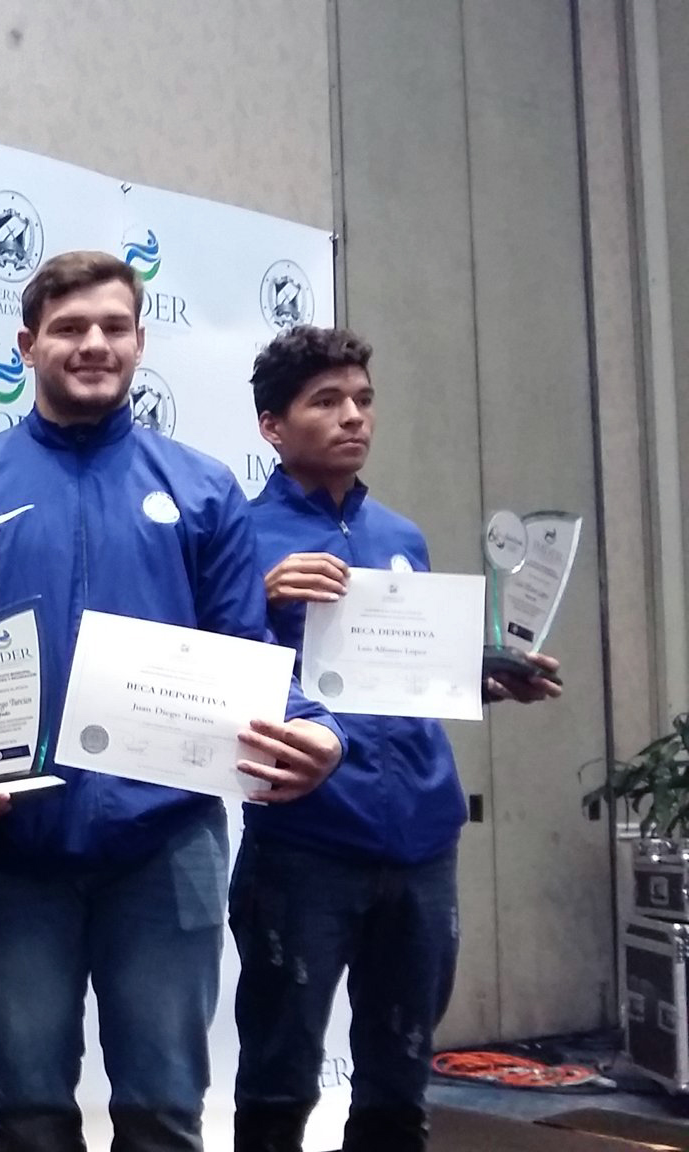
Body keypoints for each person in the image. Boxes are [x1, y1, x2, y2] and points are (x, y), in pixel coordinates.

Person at [0, 250, 347, 1152]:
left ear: (141, 342)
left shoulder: (202, 488)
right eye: (69, 328)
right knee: (30, 1105)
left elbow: (248, 653)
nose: (93, 344)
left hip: (166, 844)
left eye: (112, 327)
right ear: (28, 344)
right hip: (10, 847)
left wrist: (313, 727)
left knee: (163, 1107)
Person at [233, 325, 561, 1152]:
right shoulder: (237, 540)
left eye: (364, 400)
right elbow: (207, 662)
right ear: (272, 425)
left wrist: (488, 677)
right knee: (279, 1078)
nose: (354, 417)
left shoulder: (401, 537)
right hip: (303, 845)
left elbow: (412, 674)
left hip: (422, 843)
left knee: (400, 1081)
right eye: (327, 401)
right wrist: (257, 593)